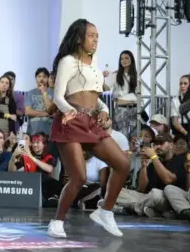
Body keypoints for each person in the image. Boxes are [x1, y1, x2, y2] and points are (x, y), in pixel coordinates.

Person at [47, 19, 129, 238]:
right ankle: (57, 222)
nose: (95, 40)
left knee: (123, 164)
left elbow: (94, 96)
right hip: (70, 121)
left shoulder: (94, 62)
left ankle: (105, 211)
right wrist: (69, 111)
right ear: (79, 38)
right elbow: (58, 96)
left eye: (97, 36)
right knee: (79, 177)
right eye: (91, 36)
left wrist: (105, 111)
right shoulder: (68, 62)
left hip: (91, 122)